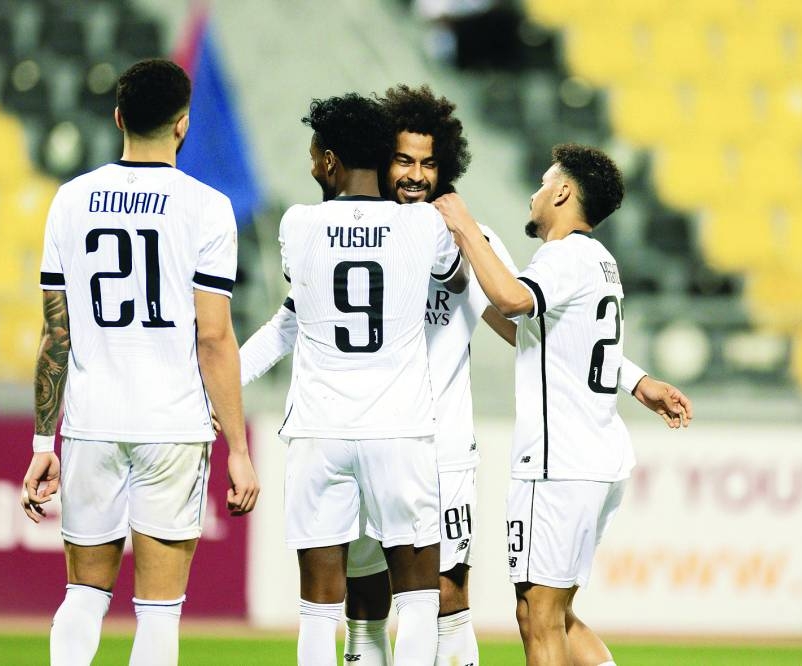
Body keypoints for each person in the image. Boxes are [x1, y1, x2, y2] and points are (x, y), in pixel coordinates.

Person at [243, 86, 692, 666]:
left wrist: (633, 379)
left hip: (442, 450)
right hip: (368, 435)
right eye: (403, 160)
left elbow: (535, 331)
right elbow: (288, 323)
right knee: (365, 594)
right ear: (381, 160)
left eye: (429, 163)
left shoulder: (470, 242)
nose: (415, 174)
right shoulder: (353, 236)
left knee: (447, 594)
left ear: (446, 166)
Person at [19, 58, 259, 666]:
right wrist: (239, 447)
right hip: (172, 428)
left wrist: (43, 440)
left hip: (92, 422)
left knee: (82, 595)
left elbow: (56, 335)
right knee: (158, 611)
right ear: (183, 124)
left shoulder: (71, 200)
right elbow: (214, 338)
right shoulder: (208, 207)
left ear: (118, 116)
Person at [435, 144, 690, 666]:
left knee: (539, 613)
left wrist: (462, 224)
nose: (533, 193)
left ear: (562, 191)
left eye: (542, 182)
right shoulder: (599, 261)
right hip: (596, 458)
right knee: (552, 614)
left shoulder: (563, 256)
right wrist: (640, 382)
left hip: (557, 467)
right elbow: (531, 333)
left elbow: (513, 300)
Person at [278, 92, 466, 666]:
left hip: (318, 428)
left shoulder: (298, 223)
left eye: (315, 154)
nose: (312, 164)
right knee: (416, 596)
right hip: (399, 428)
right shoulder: (421, 225)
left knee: (317, 604)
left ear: (330, 161)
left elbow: (295, 306)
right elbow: (456, 282)